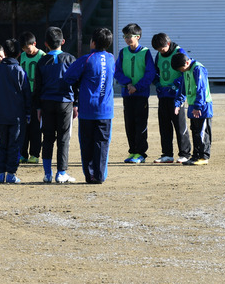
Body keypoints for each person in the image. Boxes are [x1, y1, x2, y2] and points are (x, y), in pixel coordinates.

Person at [63, 28, 115, 184]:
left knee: (86, 143)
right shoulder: (112, 58)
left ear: (93, 42)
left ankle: (89, 175)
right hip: (105, 111)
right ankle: (100, 176)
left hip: (87, 109)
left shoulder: (87, 59)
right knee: (102, 144)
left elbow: (68, 77)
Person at [33, 26, 77, 183]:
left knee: (48, 138)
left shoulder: (42, 61)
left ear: (46, 44)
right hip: (65, 102)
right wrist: (76, 103)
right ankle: (61, 172)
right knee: (64, 138)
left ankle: (47, 173)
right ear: (63, 41)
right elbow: (76, 82)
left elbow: (37, 86)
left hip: (46, 103)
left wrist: (38, 106)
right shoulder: (71, 59)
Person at [0, 39, 31, 184]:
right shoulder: (20, 71)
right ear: (19, 54)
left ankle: (0, 173)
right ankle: (11, 173)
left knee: (2, 143)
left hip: (0, 114)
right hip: (16, 116)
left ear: (4, 53)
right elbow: (26, 94)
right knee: (14, 144)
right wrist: (28, 113)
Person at [113, 23, 155, 164]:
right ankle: (132, 151)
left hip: (141, 94)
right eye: (125, 36)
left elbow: (150, 73)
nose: (127, 39)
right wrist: (128, 84)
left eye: (129, 36)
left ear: (138, 37)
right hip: (127, 94)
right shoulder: (123, 52)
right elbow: (117, 71)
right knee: (129, 124)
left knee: (140, 124)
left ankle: (141, 153)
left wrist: (137, 87)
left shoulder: (145, 52)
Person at [151, 33, 191, 164]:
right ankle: (167, 154)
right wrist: (157, 83)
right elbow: (156, 71)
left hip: (176, 96)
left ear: (168, 44)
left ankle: (185, 153)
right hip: (163, 95)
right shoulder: (159, 55)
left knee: (180, 126)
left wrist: (176, 85)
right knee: (164, 126)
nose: (160, 51)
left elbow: (186, 71)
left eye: (161, 48)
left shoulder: (179, 52)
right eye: (157, 49)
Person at [172, 53, 213, 166]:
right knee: (194, 131)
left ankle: (204, 156)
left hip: (202, 107)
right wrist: (178, 103)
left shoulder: (198, 69)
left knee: (203, 132)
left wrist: (198, 106)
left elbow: (201, 88)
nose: (182, 71)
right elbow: (183, 88)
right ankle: (195, 155)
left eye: (182, 69)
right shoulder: (185, 71)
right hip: (192, 106)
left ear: (187, 62)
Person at [18, 31, 45, 165]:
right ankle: (22, 153)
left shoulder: (42, 56)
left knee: (35, 127)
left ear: (34, 44)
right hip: (23, 96)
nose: (26, 51)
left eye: (28, 48)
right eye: (23, 49)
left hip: (37, 96)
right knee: (23, 127)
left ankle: (34, 154)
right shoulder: (21, 56)